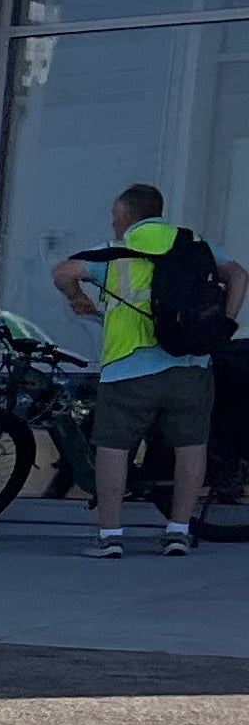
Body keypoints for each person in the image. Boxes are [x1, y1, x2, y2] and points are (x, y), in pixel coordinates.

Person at [52, 184, 244, 557]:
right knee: (190, 446)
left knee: (113, 448)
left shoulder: (114, 251)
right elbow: (238, 275)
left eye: (114, 216)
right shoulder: (194, 244)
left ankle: (110, 536)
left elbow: (62, 271)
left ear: (126, 216)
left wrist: (77, 297)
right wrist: (225, 324)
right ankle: (178, 532)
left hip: (129, 366)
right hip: (190, 363)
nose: (113, 222)